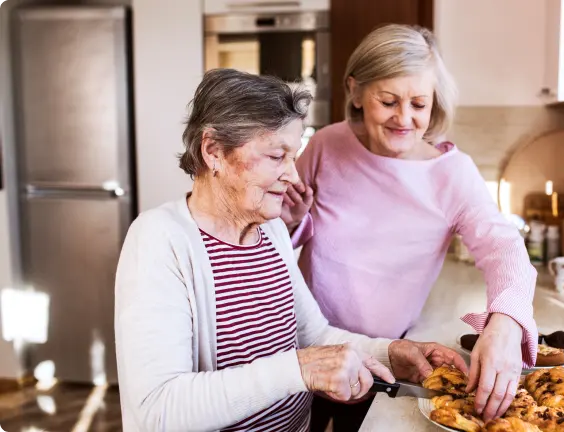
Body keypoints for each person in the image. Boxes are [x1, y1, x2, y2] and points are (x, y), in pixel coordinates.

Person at [114, 68, 467, 432]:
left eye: (293, 157)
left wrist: (390, 354)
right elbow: (158, 410)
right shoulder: (160, 240)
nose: (294, 176)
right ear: (213, 151)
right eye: (275, 157)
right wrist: (300, 369)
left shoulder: (271, 231)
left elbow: (313, 337)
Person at [282, 24, 539, 431]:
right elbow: (275, 238)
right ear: (355, 92)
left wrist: (506, 322)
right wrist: (292, 220)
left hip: (386, 361)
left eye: (419, 104)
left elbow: (503, 248)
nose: (405, 118)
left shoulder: (452, 174)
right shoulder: (325, 146)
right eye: (388, 101)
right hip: (306, 346)